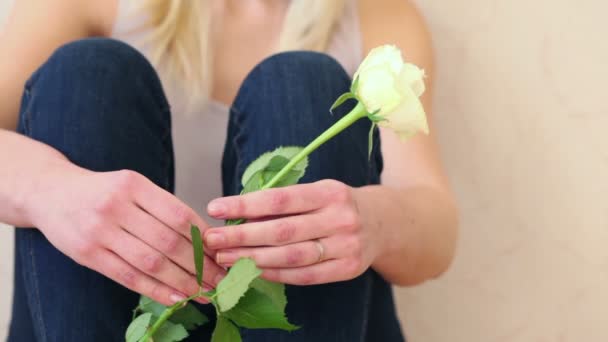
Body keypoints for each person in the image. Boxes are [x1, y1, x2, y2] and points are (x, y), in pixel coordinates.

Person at [0, 0, 458, 341]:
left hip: (312, 324)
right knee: (88, 74)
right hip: (101, 319)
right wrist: (48, 189)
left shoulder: (375, 16)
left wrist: (372, 221)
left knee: (303, 86)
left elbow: (435, 229)